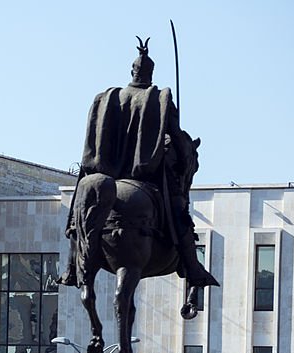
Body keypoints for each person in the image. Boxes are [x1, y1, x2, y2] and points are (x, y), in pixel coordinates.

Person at [60, 38, 216, 290]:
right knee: (180, 213)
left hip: (105, 168)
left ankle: (70, 267)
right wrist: (180, 148)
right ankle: (192, 266)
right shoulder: (159, 99)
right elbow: (176, 135)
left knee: (81, 206)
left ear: (131, 72)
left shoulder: (108, 97)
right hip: (144, 173)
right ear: (150, 73)